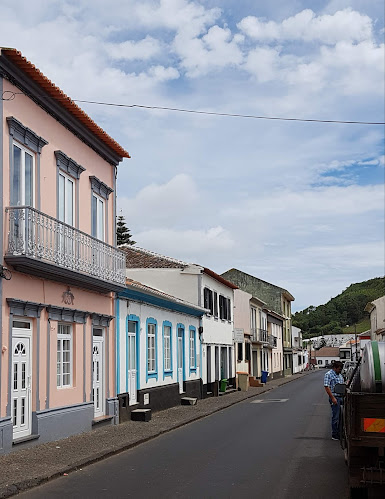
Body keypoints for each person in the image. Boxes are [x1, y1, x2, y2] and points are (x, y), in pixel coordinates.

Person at [324, 360, 344, 440]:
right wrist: (333, 398)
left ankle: (340, 432)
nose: (340, 370)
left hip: (341, 397)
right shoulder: (328, 375)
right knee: (335, 416)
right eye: (339, 369)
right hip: (335, 397)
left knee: (340, 416)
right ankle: (334, 434)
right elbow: (326, 386)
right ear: (335, 368)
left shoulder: (339, 375)